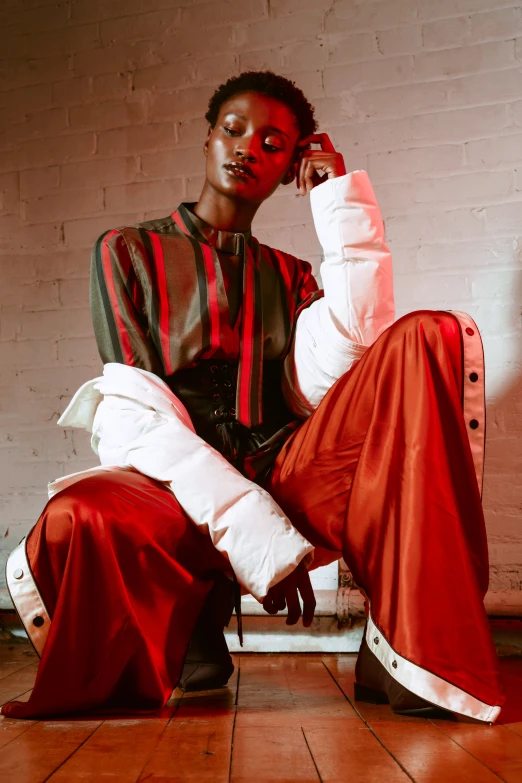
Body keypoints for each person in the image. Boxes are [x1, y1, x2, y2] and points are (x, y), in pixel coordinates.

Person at [4, 71, 504, 722]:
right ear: (208, 137)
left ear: (290, 167)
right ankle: (183, 626)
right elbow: (139, 419)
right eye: (234, 130)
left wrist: (338, 204)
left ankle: (406, 647)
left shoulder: (292, 276)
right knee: (81, 509)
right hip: (170, 492)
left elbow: (357, 350)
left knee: (424, 336)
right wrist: (256, 538)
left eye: (273, 143)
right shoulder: (126, 252)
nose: (247, 149)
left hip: (288, 480)